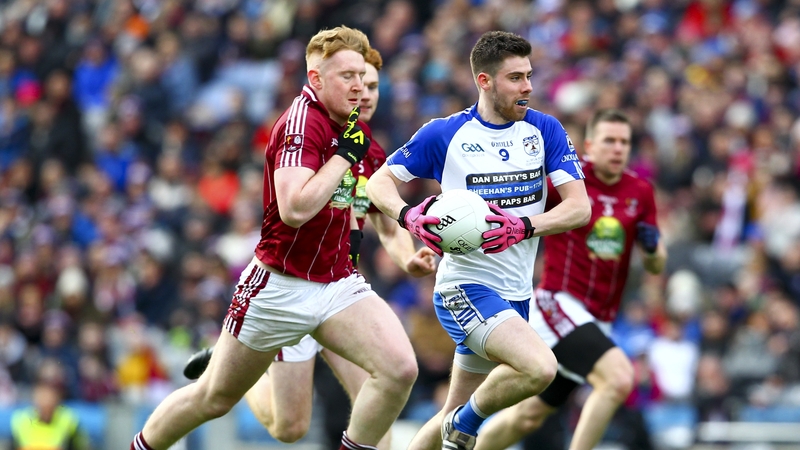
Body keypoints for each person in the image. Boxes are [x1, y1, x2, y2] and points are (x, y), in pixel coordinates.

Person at [130, 26, 419, 450]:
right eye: (349, 77)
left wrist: (411, 251)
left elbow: (381, 222)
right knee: (231, 404)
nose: (361, 89)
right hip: (281, 287)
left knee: (398, 370)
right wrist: (343, 157)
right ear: (316, 80)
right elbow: (295, 209)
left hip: (338, 284)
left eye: (366, 78)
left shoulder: (359, 136)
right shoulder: (303, 124)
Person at [365, 30, 591, 450]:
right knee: (540, 369)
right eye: (515, 78)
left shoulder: (545, 130)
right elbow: (379, 184)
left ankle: (457, 423)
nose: (527, 87)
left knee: (449, 410)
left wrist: (524, 227)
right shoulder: (445, 134)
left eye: (529, 76)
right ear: (484, 81)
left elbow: (580, 208)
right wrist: (409, 216)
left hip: (516, 293)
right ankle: (465, 427)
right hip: (464, 289)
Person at [474, 109, 667, 450]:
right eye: (609, 140)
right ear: (590, 145)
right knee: (619, 380)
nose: (618, 148)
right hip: (557, 303)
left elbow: (655, 265)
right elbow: (515, 210)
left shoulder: (640, 191)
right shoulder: (566, 183)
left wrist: (652, 248)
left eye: (624, 142)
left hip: (598, 320)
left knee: (528, 417)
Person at [11, 379, 91, 450]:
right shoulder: (21, 420)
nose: (45, 401)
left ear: (58, 398)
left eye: (50, 396)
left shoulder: (70, 420)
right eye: (41, 395)